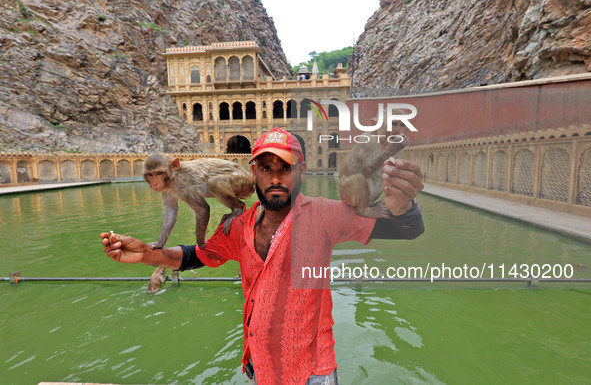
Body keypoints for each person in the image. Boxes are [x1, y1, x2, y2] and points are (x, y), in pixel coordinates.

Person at [101, 127, 424, 384]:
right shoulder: (239, 225)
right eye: (266, 168)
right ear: (253, 172)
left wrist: (404, 207)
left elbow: (406, 230)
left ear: (302, 171)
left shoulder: (324, 215)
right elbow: (197, 256)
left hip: (312, 371)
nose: (276, 178)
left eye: (286, 168)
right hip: (260, 365)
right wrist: (148, 254)